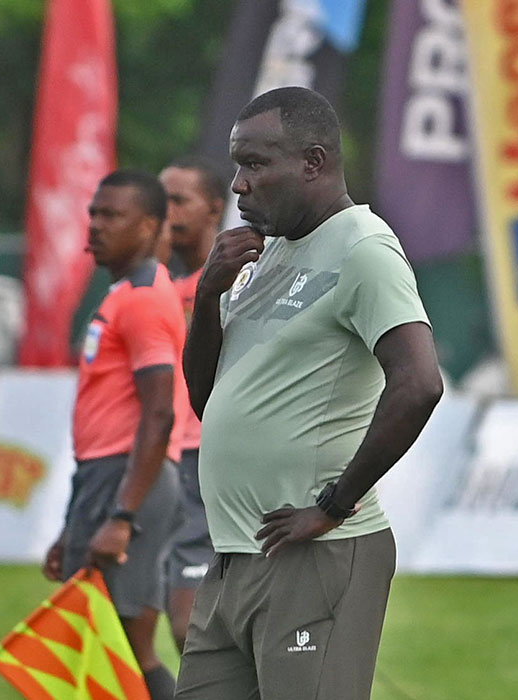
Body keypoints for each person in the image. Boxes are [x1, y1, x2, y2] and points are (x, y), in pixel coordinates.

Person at [175, 87, 443, 699]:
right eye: (237, 165)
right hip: (235, 554)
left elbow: (419, 381)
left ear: (314, 162)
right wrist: (207, 297)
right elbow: (206, 402)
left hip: (315, 556)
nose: (238, 185)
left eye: (256, 163)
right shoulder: (268, 252)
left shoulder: (363, 249)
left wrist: (334, 503)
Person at [41, 169, 185, 700]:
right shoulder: (124, 294)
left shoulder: (146, 298)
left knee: (122, 646)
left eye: (112, 215)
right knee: (101, 645)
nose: (96, 225)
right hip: (105, 478)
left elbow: (158, 414)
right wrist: (70, 523)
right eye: (94, 213)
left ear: (149, 226)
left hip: (129, 480)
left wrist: (123, 515)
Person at [159, 156, 226, 653]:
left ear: (215, 210)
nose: (166, 212)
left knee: (190, 627)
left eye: (179, 200)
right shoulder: (157, 290)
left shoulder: (236, 285)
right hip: (163, 460)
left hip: (207, 455)